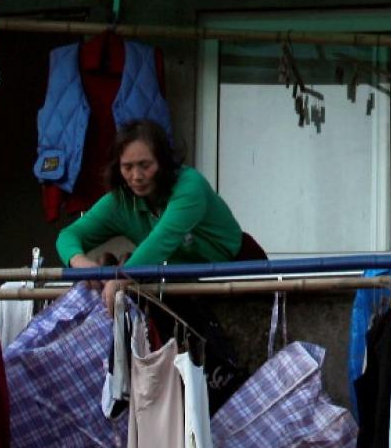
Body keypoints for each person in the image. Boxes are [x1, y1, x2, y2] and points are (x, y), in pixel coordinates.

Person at [56, 121, 258, 308]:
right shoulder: (120, 201)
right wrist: (79, 261)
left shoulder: (189, 185)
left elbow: (162, 240)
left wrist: (121, 278)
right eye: (127, 167)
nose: (137, 176)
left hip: (238, 270)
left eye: (145, 165)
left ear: (163, 162)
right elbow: (68, 235)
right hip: (181, 283)